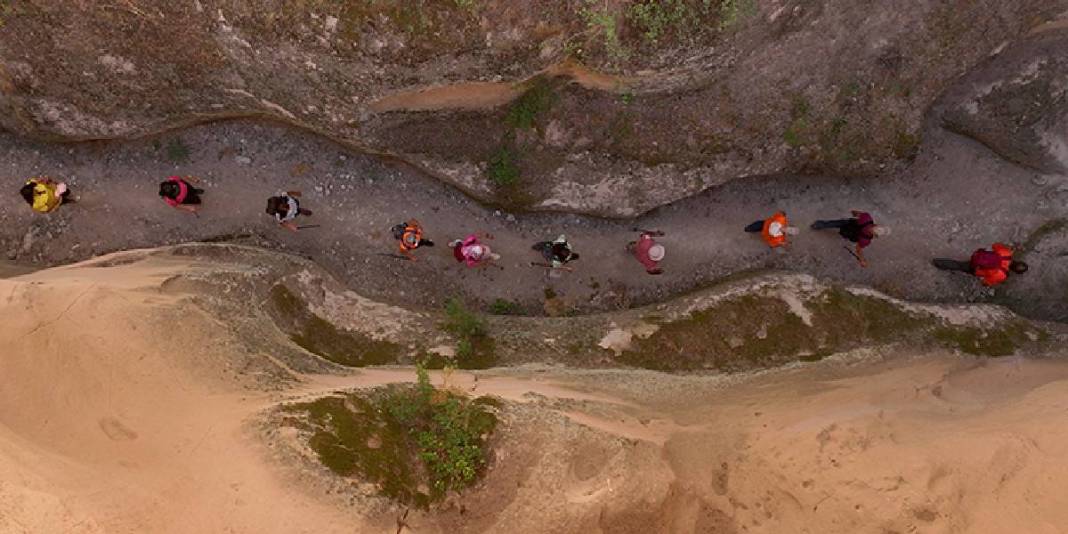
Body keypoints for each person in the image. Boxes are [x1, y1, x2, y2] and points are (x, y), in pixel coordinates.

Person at [810, 210, 889, 267]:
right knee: (839, 232)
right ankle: (816, 226)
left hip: (845, 224)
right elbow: (858, 249)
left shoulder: (867, 218)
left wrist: (855, 214)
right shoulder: (866, 240)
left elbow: (854, 212)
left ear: (876, 224)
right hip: (846, 234)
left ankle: (815, 226)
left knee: (830, 223)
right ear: (875, 235)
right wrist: (862, 260)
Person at [932, 243, 1028, 287]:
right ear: (1014, 271)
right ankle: (938, 263)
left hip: (979, 256)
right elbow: (985, 283)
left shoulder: (1006, 253)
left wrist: (1010, 248)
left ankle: (938, 262)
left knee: (959, 264)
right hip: (976, 269)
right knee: (960, 266)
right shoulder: (1002, 275)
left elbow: (995, 245)